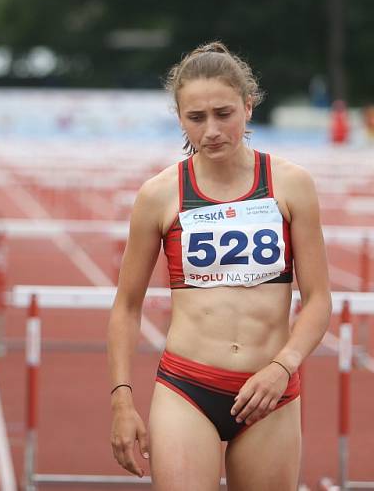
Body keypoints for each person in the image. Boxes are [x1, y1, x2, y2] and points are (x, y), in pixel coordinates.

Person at [107, 41, 331, 490]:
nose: (211, 130)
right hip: (187, 388)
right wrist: (122, 401)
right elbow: (126, 307)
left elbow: (319, 300)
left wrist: (283, 366)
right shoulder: (159, 195)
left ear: (248, 107)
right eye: (196, 118)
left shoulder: (291, 185)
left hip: (271, 390)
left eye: (223, 113)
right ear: (180, 119)